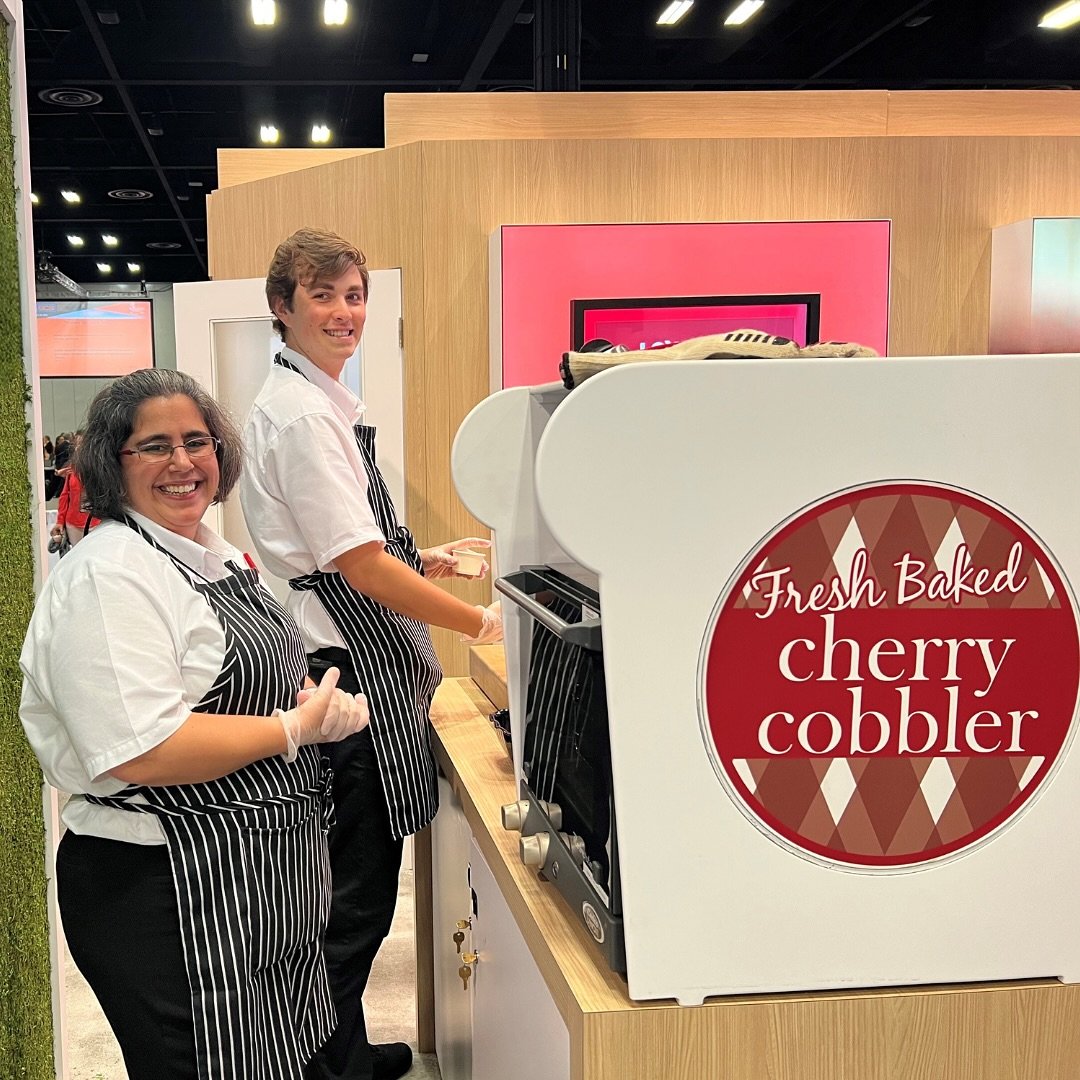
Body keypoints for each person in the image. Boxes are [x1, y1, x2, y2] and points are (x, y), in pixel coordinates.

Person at [20, 369, 370, 1080]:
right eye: (153, 447)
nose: (182, 464)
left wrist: (303, 696)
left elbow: (231, 675)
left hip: (257, 888)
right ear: (111, 464)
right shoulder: (109, 578)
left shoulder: (212, 557)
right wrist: (292, 730)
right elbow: (143, 750)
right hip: (170, 896)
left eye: (196, 441)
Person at [240, 227, 502, 1080]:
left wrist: (423, 560)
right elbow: (356, 568)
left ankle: (341, 1051)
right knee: (350, 896)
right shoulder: (304, 416)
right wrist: (479, 624)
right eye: (324, 296)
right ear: (283, 309)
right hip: (342, 670)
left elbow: (345, 547)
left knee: (352, 888)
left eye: (354, 295)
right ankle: (322, 1065)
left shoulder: (315, 403)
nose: (345, 312)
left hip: (339, 651)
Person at [51, 432, 99, 550]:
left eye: (82, 445)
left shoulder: (100, 468)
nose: (78, 448)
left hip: (97, 523)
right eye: (76, 445)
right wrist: (60, 521)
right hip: (73, 524)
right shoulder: (72, 469)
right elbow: (65, 496)